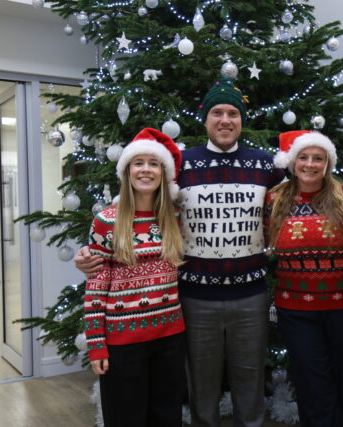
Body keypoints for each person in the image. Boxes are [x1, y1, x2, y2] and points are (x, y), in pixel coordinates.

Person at [76, 79, 284, 427]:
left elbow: (289, 205)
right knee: (201, 386)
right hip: (194, 297)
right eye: (217, 112)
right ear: (205, 119)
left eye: (233, 113)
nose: (225, 120)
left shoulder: (265, 165)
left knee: (251, 380)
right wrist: (90, 254)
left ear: (241, 119)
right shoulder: (181, 165)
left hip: (250, 294)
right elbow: (141, 207)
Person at [84, 128, 186, 427]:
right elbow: (95, 288)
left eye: (154, 163)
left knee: (167, 417)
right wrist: (96, 344)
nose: (145, 169)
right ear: (126, 171)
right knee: (125, 418)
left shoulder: (174, 218)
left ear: (163, 173)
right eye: (138, 163)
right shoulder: (106, 222)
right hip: (123, 342)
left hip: (169, 338)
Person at [265, 130, 343, 427]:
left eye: (318, 158)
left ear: (328, 163)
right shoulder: (274, 199)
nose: (310, 164)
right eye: (303, 157)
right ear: (292, 162)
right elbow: (261, 240)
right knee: (311, 383)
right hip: (296, 309)